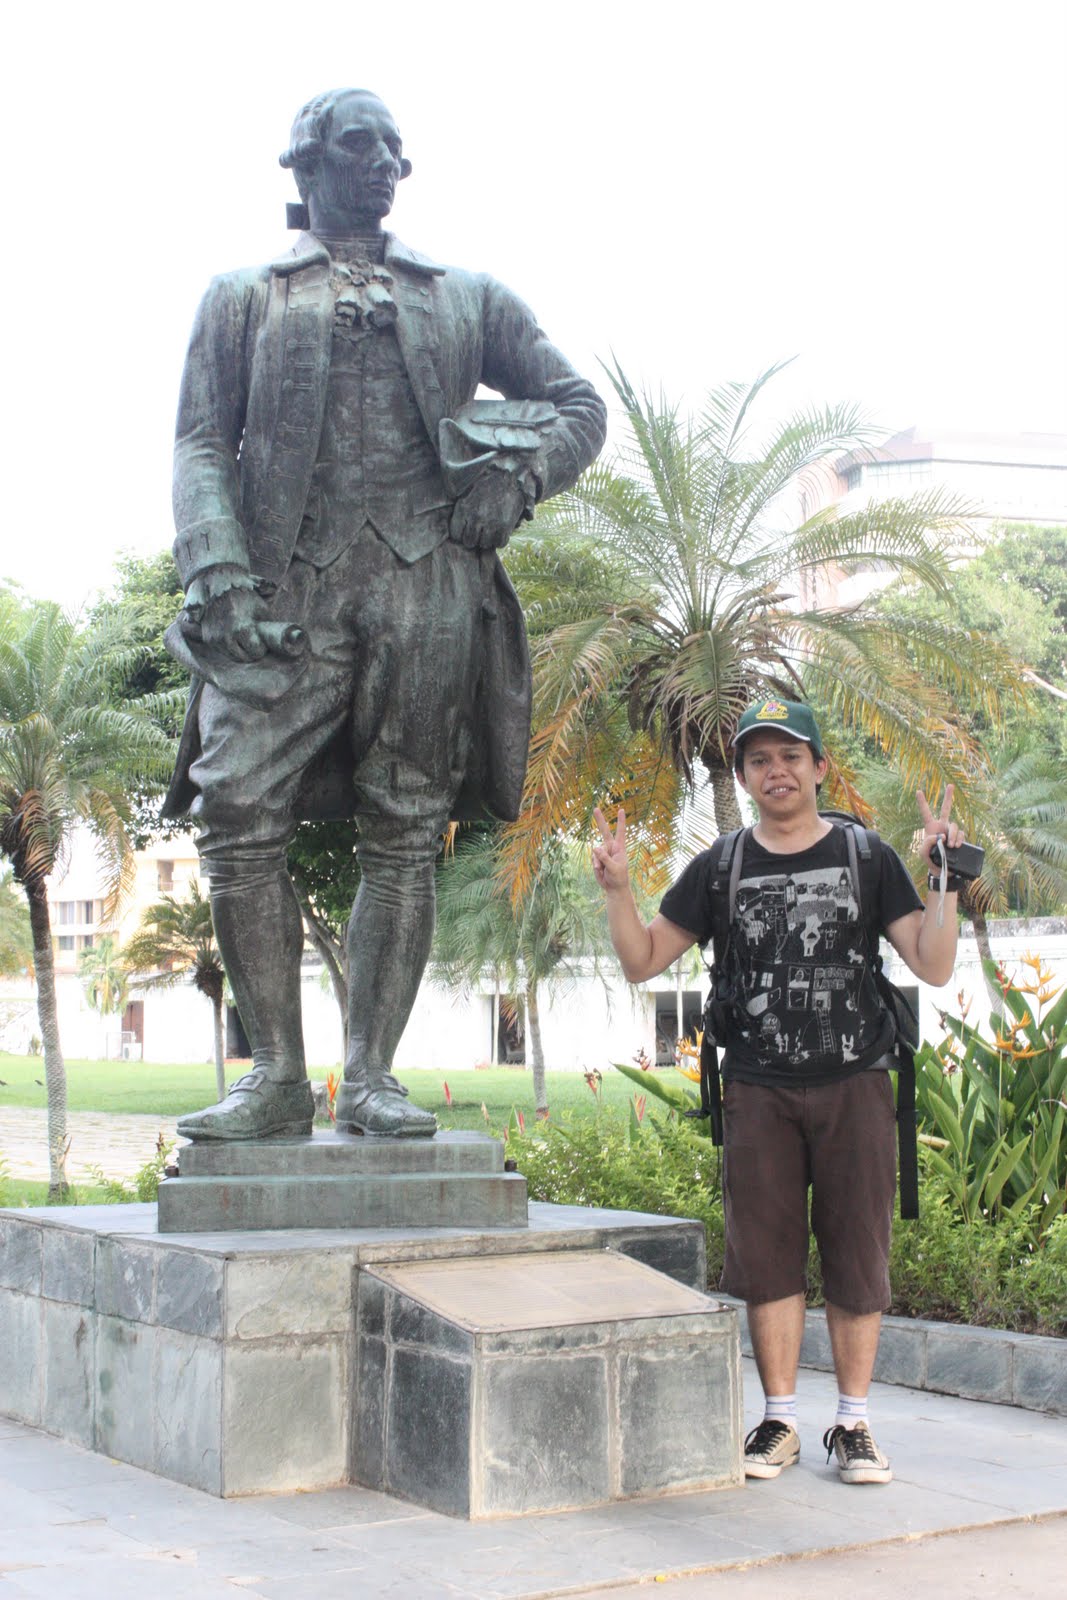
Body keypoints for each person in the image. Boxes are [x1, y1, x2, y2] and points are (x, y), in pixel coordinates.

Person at [162, 88, 606, 1140]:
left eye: (396, 150)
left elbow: (578, 406)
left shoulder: (465, 294)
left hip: (428, 589)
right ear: (306, 162)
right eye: (361, 144)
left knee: (405, 825)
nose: (385, 164)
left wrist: (519, 481)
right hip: (283, 591)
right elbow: (200, 441)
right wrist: (216, 568)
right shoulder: (242, 296)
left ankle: (369, 1077)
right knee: (236, 804)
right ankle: (275, 1075)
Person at [592, 698, 966, 1485]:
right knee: (765, 1257)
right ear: (742, 777)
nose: (776, 771)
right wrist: (618, 890)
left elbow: (932, 965)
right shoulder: (721, 865)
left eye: (790, 755)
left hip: (855, 1080)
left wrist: (944, 878)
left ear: (818, 767)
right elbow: (642, 960)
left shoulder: (865, 855)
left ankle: (853, 1425)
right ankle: (780, 1421)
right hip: (757, 1087)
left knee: (856, 1252)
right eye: (758, 759)